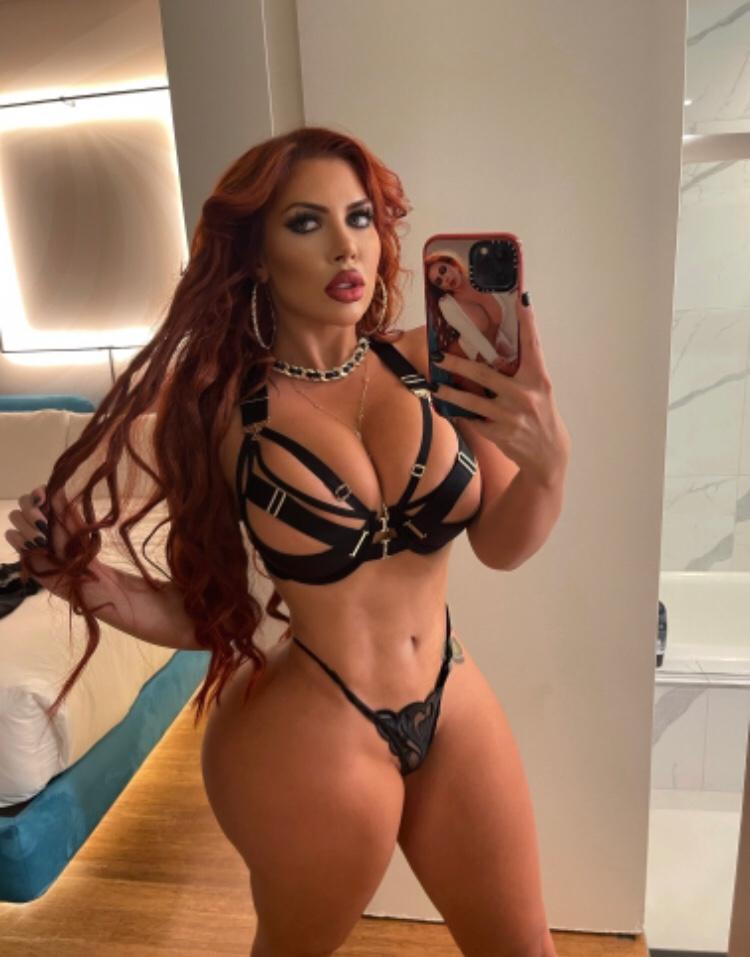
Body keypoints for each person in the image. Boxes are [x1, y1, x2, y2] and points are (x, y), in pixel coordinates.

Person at [5, 126, 571, 957]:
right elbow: (211, 612)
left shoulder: (437, 362)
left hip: (453, 697)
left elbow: (502, 544)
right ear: (260, 256)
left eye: (360, 217)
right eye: (307, 222)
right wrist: (88, 583)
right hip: (320, 720)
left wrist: (549, 464)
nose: (347, 244)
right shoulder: (224, 414)